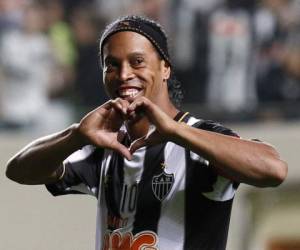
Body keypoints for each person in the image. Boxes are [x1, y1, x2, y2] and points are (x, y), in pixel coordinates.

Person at [5, 15, 288, 250]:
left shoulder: (199, 138)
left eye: (137, 61)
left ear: (165, 68)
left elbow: (273, 170)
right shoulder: (106, 146)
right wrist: (75, 135)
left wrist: (175, 132)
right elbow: (18, 171)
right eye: (111, 65)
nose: (124, 74)